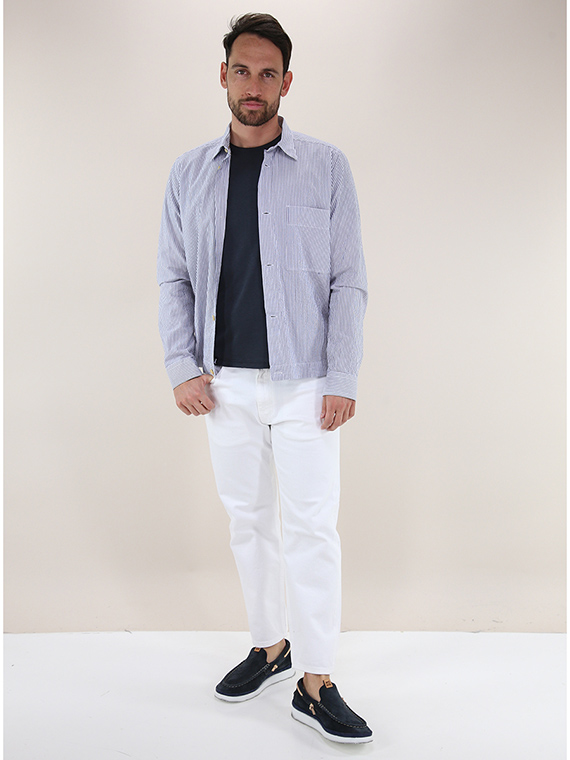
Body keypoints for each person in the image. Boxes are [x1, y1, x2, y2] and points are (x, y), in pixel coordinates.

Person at [157, 13, 372, 744]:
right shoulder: (188, 172)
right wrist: (182, 367)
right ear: (223, 76)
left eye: (268, 73)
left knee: (312, 528)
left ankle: (317, 680)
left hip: (307, 383)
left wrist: (342, 374)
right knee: (248, 523)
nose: (254, 86)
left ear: (287, 82)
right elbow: (173, 278)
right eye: (242, 71)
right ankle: (269, 645)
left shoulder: (327, 166)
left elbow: (349, 279)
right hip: (223, 386)